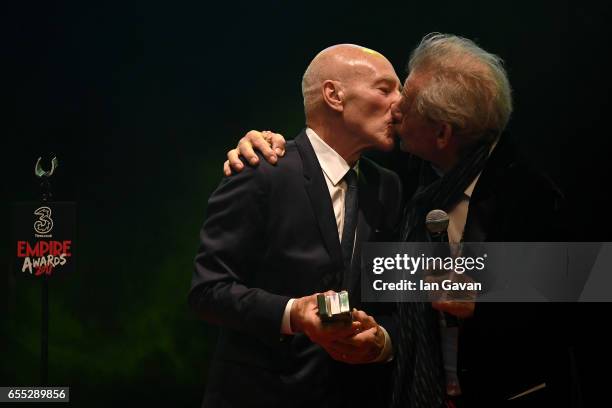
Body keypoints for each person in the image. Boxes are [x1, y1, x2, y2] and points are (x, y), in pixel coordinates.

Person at [224, 33, 570, 407]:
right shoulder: (405, 171)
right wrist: (261, 143)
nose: (397, 109)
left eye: (408, 101)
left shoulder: (532, 192)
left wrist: (492, 293)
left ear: (442, 133)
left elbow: (587, 284)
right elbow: (324, 151)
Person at [188, 44, 405, 407]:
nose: (400, 104)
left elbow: (396, 298)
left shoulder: (387, 186)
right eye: (386, 89)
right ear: (334, 95)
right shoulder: (261, 170)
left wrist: (382, 339)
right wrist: (294, 314)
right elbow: (207, 291)